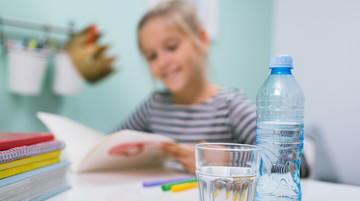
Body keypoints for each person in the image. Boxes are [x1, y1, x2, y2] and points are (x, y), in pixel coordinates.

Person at [111, 0, 309, 177]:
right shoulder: (153, 107)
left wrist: (228, 161)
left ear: (203, 40)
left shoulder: (229, 107)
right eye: (151, 56)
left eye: (172, 47)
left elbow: (299, 166)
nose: (162, 61)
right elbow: (108, 144)